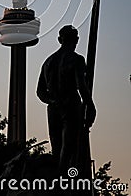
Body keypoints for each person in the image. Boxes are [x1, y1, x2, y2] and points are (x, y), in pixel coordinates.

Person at [36, 25, 96, 173]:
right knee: (69, 147)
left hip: (53, 108)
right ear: (76, 40)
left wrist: (52, 101)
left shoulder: (48, 62)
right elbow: (81, 86)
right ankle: (64, 181)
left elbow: (40, 92)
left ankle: (59, 179)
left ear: (59, 40)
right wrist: (90, 105)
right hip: (70, 105)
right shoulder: (76, 60)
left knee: (57, 147)